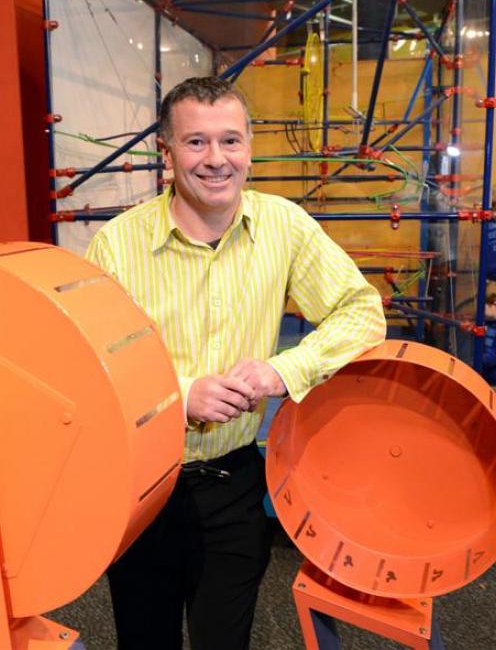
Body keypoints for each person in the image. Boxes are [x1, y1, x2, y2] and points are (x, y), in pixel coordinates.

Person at [86, 76, 386, 650]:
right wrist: (180, 394)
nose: (216, 159)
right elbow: (95, 368)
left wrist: (284, 370)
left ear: (249, 147)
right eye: (196, 143)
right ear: (166, 154)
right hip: (140, 485)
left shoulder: (284, 226)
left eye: (231, 140)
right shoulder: (117, 245)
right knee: (144, 638)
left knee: (225, 640)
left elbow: (361, 311)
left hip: (235, 482)